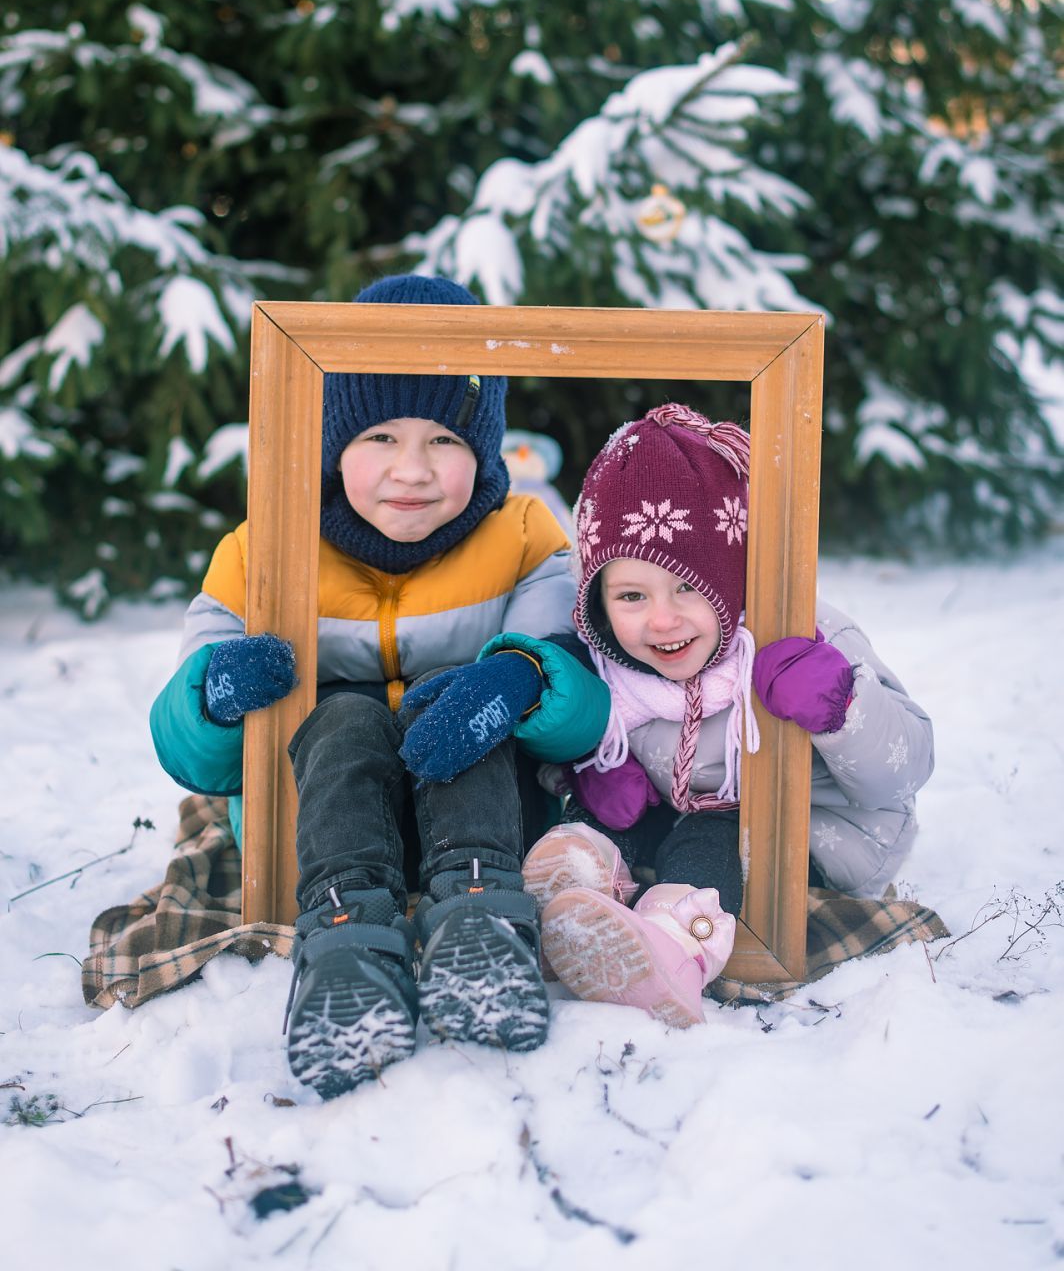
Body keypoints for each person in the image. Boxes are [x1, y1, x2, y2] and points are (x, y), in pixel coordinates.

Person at [148, 274, 607, 1098]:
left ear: (486, 447)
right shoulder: (265, 552)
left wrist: (515, 680)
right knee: (345, 716)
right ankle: (347, 945)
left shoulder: (528, 537)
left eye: (445, 440)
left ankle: (481, 924)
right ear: (331, 442)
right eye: (381, 438)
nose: (414, 470)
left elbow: (581, 707)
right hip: (321, 816)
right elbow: (197, 756)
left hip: (483, 814)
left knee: (452, 697)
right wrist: (215, 696)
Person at [493, 403, 933, 1028]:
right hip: (672, 818)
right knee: (607, 815)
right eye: (632, 596)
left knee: (713, 833)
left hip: (807, 829)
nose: (663, 619)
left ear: (732, 576)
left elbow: (907, 768)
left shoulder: (802, 629)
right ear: (598, 597)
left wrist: (842, 709)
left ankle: (672, 948)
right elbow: (571, 740)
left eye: (688, 589)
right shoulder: (607, 659)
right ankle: (579, 884)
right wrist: (586, 778)